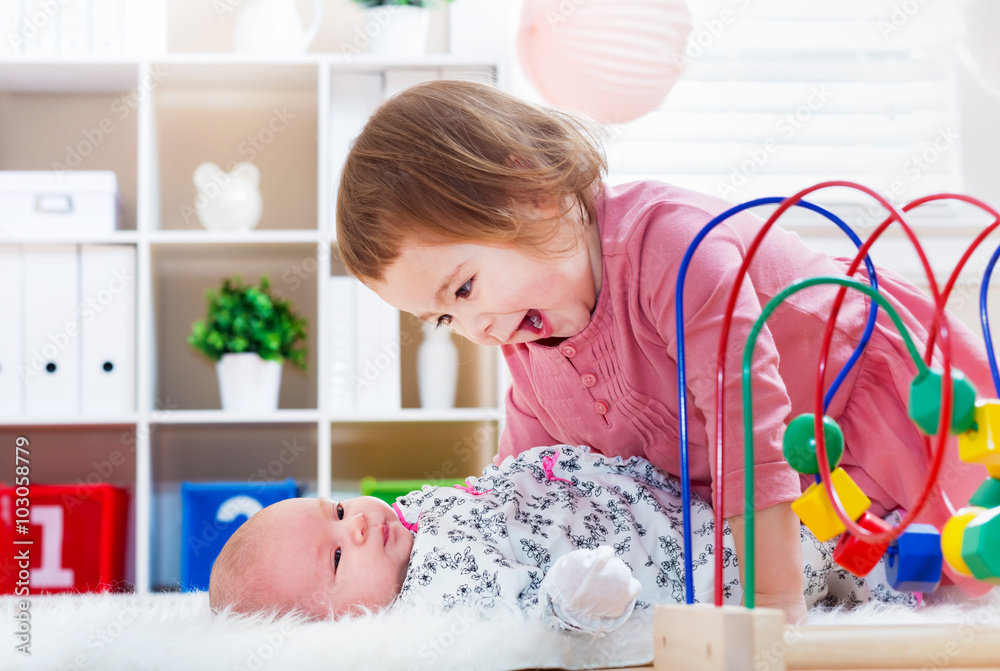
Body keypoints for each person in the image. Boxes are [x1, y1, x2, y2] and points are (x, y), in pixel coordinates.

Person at [333, 79, 996, 622]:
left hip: (873, 409)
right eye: (447, 316)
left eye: (468, 286)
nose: (479, 329)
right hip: (801, 495)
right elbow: (528, 483)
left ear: (527, 191)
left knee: (961, 579)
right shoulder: (528, 346)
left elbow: (750, 436)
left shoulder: (674, 249)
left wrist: (774, 613)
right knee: (873, 582)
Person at [209, 445, 913, 626]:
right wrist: (575, 601)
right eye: (337, 555)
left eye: (336, 508)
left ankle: (867, 524)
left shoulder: (409, 519)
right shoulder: (434, 597)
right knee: (769, 554)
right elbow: (524, 626)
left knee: (746, 508)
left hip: (646, 504)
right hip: (664, 565)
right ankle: (887, 560)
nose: (356, 522)